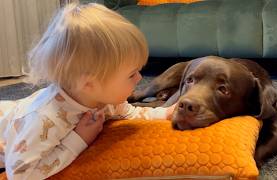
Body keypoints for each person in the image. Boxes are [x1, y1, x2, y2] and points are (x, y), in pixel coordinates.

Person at [0, 3, 176, 179]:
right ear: (89, 84)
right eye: (131, 74)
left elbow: (130, 113)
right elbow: (20, 175)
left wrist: (165, 113)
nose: (139, 78)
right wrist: (79, 140)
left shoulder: (103, 98)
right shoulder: (45, 120)